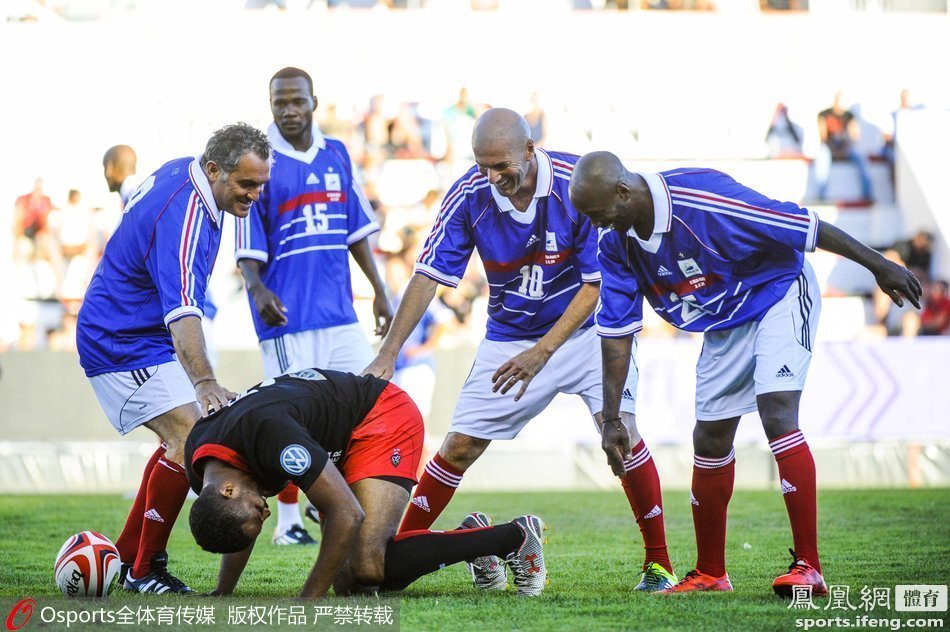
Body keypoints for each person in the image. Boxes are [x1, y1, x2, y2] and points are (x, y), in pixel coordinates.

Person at [568, 151, 922, 596]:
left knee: (777, 410)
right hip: (724, 319)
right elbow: (617, 334)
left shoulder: (702, 198)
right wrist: (611, 417)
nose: (597, 225)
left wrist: (879, 265)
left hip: (778, 291)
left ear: (623, 191)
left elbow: (804, 226)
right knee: (709, 438)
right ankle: (711, 574)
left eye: (598, 213)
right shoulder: (615, 244)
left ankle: (809, 568)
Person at [363, 108, 676, 592]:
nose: (491, 177)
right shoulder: (470, 193)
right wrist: (388, 352)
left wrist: (543, 353)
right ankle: (397, 556)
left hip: (588, 335)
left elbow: (595, 286)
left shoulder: (577, 184)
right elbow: (428, 275)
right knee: (459, 447)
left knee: (622, 437)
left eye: (501, 165)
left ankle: (659, 565)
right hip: (510, 337)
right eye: (482, 165)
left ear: (530, 150)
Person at [76, 123, 272, 593]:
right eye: (247, 183)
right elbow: (182, 308)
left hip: (141, 335)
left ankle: (127, 556)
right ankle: (145, 570)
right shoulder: (186, 211)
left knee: (181, 439)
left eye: (261, 183)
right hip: (120, 340)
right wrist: (204, 382)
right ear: (214, 170)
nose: (255, 194)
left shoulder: (188, 177)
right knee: (188, 437)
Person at [185, 369, 548, 598]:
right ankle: (469, 539)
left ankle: (514, 536)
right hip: (333, 442)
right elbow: (235, 522)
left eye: (256, 512)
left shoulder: (271, 437)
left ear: (228, 490)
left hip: (379, 416)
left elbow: (347, 514)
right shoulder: (206, 470)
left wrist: (307, 602)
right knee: (352, 587)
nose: (266, 513)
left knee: (368, 567)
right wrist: (222, 591)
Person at [234, 67, 392, 546]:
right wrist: (257, 290)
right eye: (280, 101)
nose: (289, 109)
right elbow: (246, 241)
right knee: (286, 420)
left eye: (297, 100)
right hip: (287, 319)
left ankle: (339, 502)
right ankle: (288, 524)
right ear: (271, 105)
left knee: (369, 404)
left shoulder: (336, 153)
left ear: (313, 102)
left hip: (339, 313)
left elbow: (356, 230)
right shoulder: (258, 160)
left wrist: (380, 290)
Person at [815, 91, 873, 202]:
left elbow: (854, 137)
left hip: (845, 148)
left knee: (861, 156)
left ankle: (867, 194)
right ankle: (821, 195)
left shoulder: (849, 116)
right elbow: (823, 138)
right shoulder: (824, 114)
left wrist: (844, 150)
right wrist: (834, 150)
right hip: (829, 148)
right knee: (822, 157)